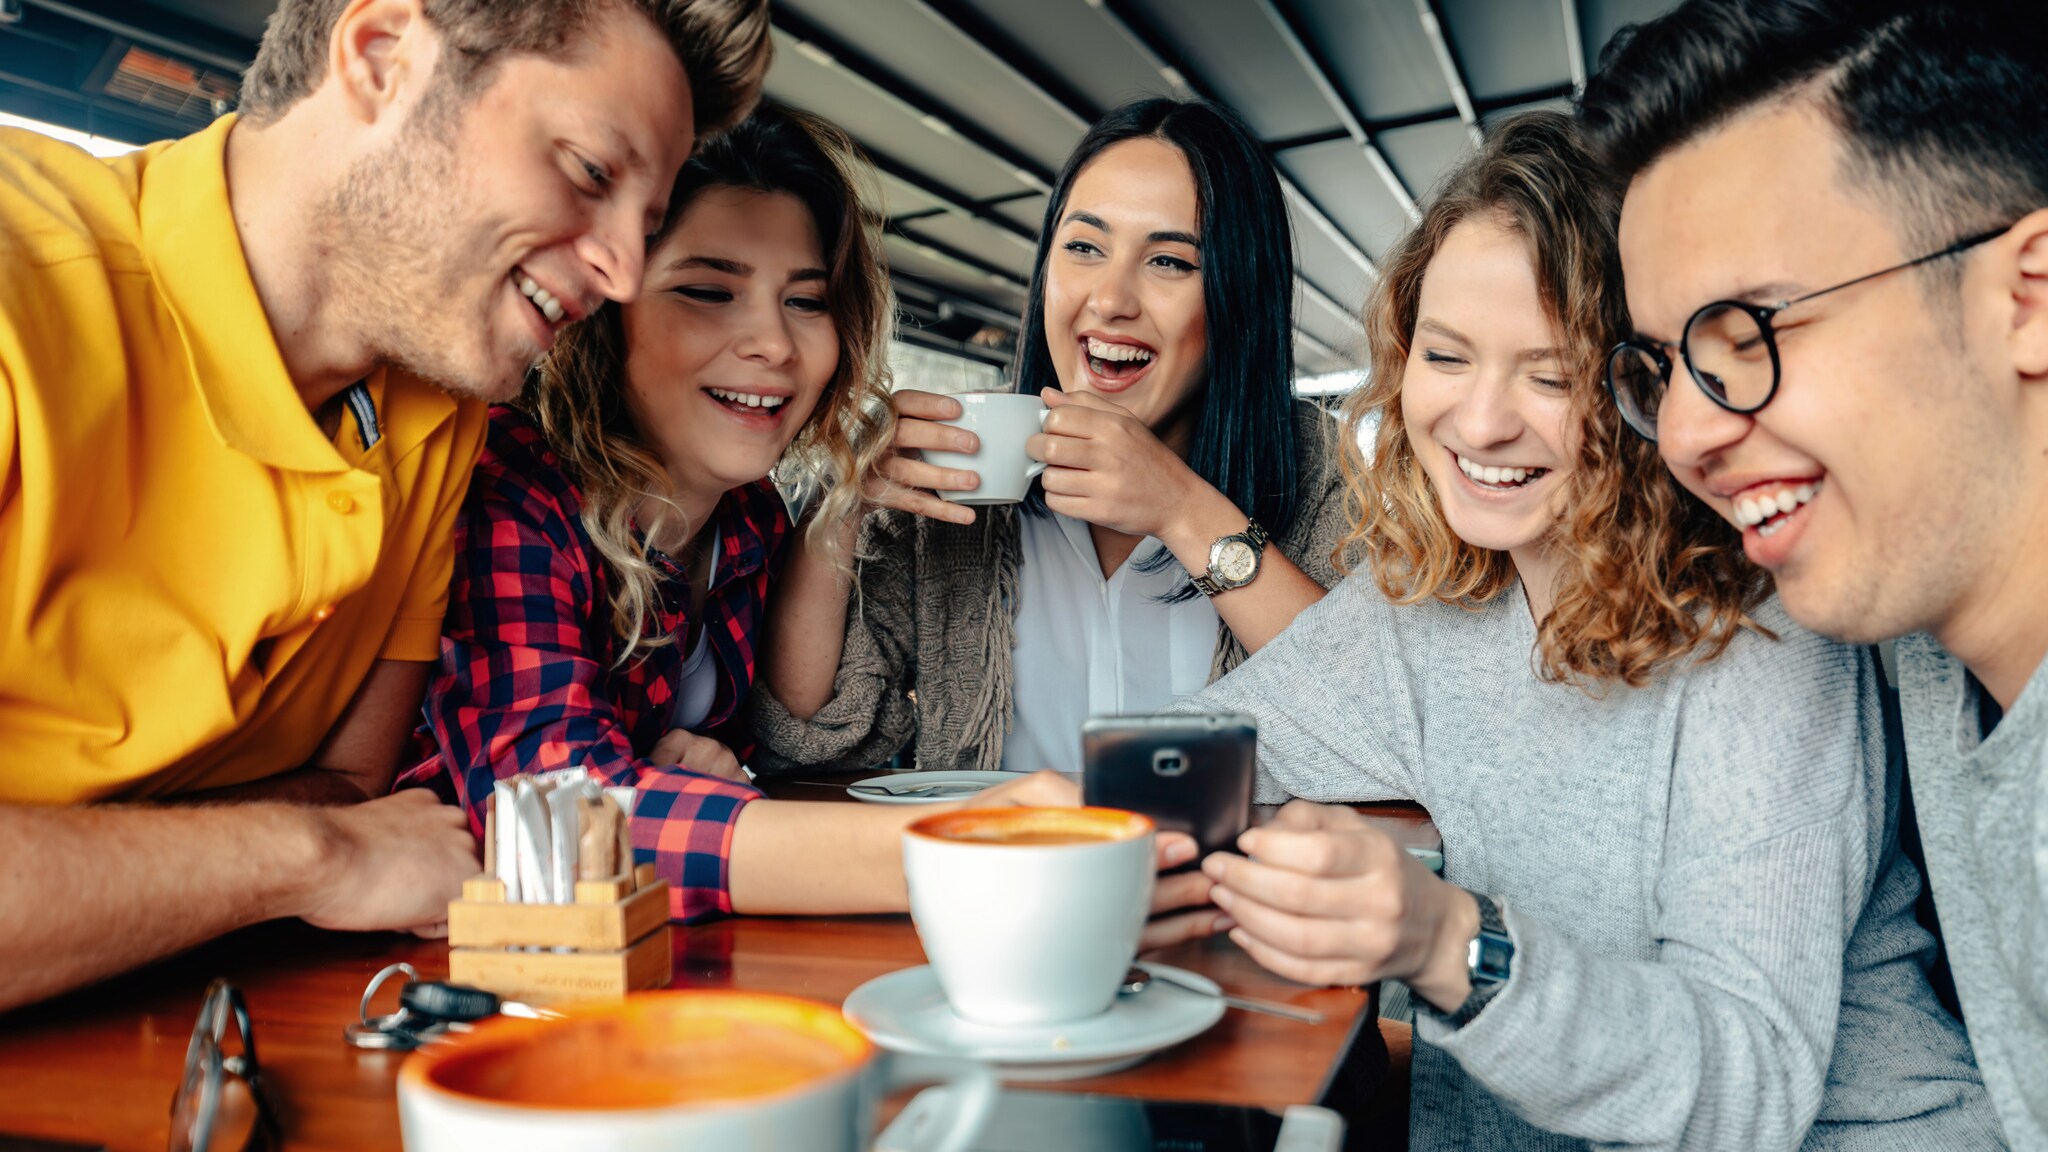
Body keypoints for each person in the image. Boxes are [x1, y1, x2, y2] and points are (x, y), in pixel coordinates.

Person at [1177, 112, 1996, 1149]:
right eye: (1445, 356)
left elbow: (1742, 1091)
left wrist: (1448, 942)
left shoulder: (1760, 638)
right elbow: (1186, 747)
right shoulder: (1427, 608)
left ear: (1642, 384)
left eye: (1548, 374)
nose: (1478, 424)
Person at [0, 0, 771, 1011]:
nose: (624, 272)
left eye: (649, 223)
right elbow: (349, 831)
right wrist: (308, 853)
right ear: (379, 57)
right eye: (588, 172)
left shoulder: (438, 410)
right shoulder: (24, 287)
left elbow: (361, 787)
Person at [402, 105, 1214, 938]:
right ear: (606, 306)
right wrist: (978, 845)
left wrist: (666, 765)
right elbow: (560, 827)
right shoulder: (513, 485)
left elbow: (745, 755)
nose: (774, 344)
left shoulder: (751, 521)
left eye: (806, 301)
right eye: (707, 292)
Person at [1580, 1, 2048, 1143]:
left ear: (2027, 298)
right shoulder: (1925, 650)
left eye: (1749, 332)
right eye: (1662, 367)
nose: (1687, 435)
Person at [752, 97, 1350, 779]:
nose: (1110, 299)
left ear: (1239, 291)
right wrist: (845, 505)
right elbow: (807, 733)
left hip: (1230, 885)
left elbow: (1368, 729)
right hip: (1010, 880)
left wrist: (1182, 511)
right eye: (1085, 248)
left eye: (1170, 262)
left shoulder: (1322, 470)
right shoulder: (960, 483)